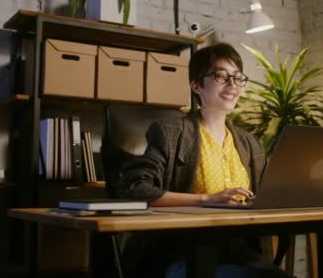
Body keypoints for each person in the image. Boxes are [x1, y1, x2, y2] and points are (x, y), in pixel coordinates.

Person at [119, 43, 291, 278]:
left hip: (239, 254)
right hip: (182, 254)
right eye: (221, 76)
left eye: (238, 77)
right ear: (196, 85)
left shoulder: (250, 144)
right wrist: (207, 199)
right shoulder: (171, 132)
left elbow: (269, 195)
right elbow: (136, 189)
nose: (232, 85)